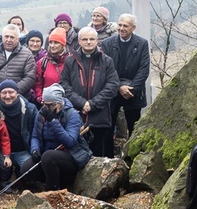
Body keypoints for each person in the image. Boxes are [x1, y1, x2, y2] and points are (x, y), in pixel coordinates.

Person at [59, 27, 120, 158]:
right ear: (79, 41)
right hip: (76, 116)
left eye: (92, 39)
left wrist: (92, 104)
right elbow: (64, 85)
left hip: (100, 117)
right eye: (85, 39)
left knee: (98, 157)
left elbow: (113, 85)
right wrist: (81, 103)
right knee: (77, 157)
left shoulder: (106, 61)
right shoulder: (70, 61)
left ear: (97, 41)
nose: (88, 42)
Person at [21, 84, 93, 191]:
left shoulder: (72, 114)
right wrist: (35, 150)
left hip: (70, 155)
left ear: (60, 103)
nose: (47, 108)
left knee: (48, 157)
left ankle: (52, 190)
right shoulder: (41, 114)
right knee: (25, 168)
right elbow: (35, 136)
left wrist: (53, 121)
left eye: (51, 105)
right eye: (44, 104)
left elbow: (70, 141)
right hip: (48, 155)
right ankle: (45, 184)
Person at [100, 14, 150, 137]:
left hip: (133, 93)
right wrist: (120, 86)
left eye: (125, 26)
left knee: (134, 128)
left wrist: (131, 89)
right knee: (108, 128)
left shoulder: (142, 43)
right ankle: (108, 155)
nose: (121, 28)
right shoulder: (107, 44)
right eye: (120, 25)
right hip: (112, 92)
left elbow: (144, 69)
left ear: (133, 28)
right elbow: (106, 69)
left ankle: (132, 155)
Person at [0, 80, 37, 181]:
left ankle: (19, 172)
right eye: (4, 92)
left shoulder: (30, 109)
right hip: (0, 151)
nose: (7, 96)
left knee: (32, 170)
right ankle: (3, 173)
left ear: (17, 92)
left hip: (22, 150)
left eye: (11, 92)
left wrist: (35, 149)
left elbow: (36, 133)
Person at [0, 24, 36, 100]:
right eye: (6, 36)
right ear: (2, 37)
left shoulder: (27, 54)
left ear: (18, 39)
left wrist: (13, 92)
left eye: (12, 37)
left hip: (19, 98)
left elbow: (30, 77)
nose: (8, 40)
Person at [33, 27, 71, 105]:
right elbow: (38, 84)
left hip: (67, 104)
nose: (52, 45)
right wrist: (41, 98)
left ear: (63, 44)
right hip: (47, 104)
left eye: (56, 42)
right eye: (51, 42)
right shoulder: (43, 62)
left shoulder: (71, 61)